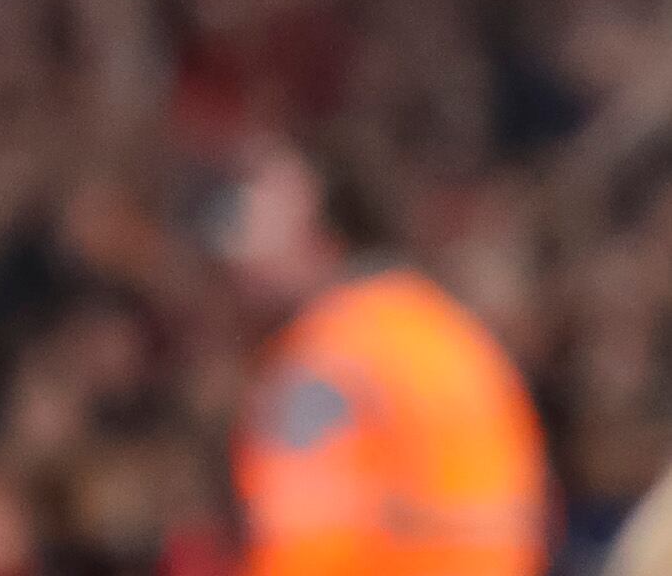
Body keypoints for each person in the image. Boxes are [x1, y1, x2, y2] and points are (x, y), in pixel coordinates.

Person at [218, 143, 549, 576]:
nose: (237, 244)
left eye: (257, 212)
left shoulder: (329, 358)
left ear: (314, 222)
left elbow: (308, 542)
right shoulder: (450, 333)